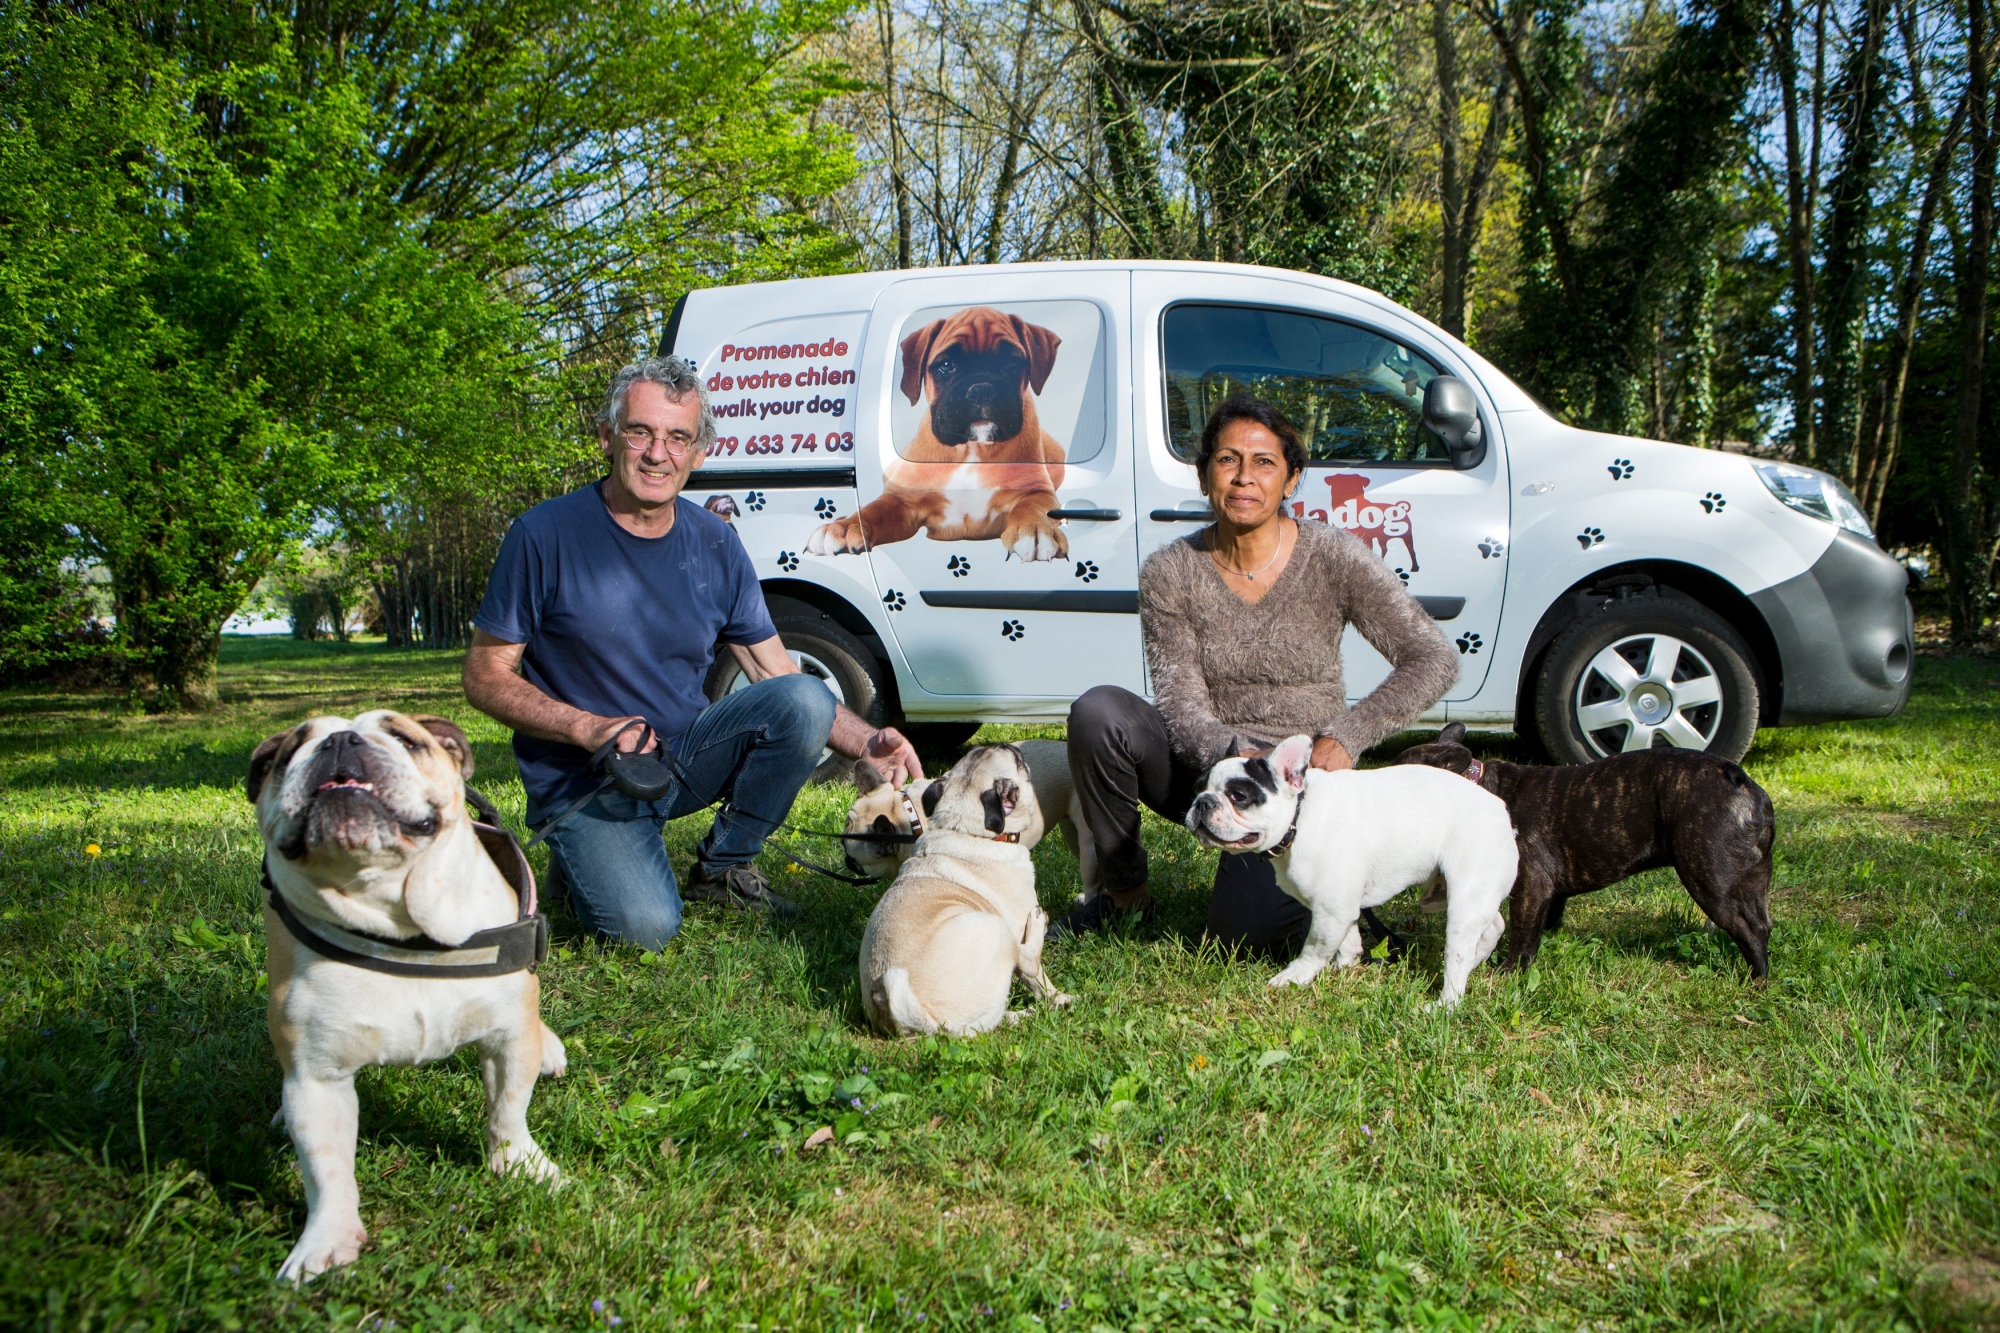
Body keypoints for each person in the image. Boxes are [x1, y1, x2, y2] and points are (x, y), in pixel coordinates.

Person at [463, 356, 922, 949]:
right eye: (640, 432)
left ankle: (724, 867)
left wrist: (868, 743)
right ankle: (581, 849)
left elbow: (776, 673)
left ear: (699, 452)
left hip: (682, 759)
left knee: (804, 697)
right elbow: (484, 674)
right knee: (647, 929)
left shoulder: (716, 541)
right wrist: (589, 727)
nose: (659, 453)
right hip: (589, 775)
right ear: (608, 436)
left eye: (678, 437)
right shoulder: (541, 535)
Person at [1063, 394, 1459, 947]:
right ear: (1204, 477)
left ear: (1292, 479)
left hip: (1301, 785)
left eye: (1264, 463)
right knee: (1099, 713)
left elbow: (1433, 658)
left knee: (1245, 937)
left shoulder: (1333, 556)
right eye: (1227, 461)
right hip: (1209, 762)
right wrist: (1232, 753)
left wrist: (1347, 737)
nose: (1244, 478)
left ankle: (1338, 891)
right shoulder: (1170, 571)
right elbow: (1178, 702)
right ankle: (1126, 894)